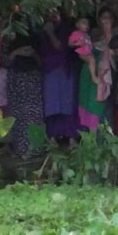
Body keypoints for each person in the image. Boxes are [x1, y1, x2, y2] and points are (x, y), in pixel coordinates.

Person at [40, 10, 80, 142]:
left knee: (67, 105)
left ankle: (71, 137)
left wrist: (50, 32)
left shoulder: (66, 29)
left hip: (65, 70)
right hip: (49, 71)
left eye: (55, 13)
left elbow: (59, 46)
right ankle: (52, 138)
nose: (53, 16)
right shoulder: (43, 29)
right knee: (52, 106)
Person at [5, 25, 43, 158]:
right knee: (19, 116)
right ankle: (20, 150)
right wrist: (16, 52)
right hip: (16, 80)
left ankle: (35, 149)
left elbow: (42, 62)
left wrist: (33, 54)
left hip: (33, 80)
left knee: (34, 115)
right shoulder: (8, 39)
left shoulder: (36, 38)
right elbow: (3, 61)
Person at [68, 16, 98, 85]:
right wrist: (77, 44)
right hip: (82, 53)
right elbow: (70, 43)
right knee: (91, 59)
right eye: (84, 23)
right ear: (77, 25)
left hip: (88, 52)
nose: (86, 25)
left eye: (88, 24)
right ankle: (94, 77)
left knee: (93, 59)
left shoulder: (87, 35)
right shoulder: (76, 33)